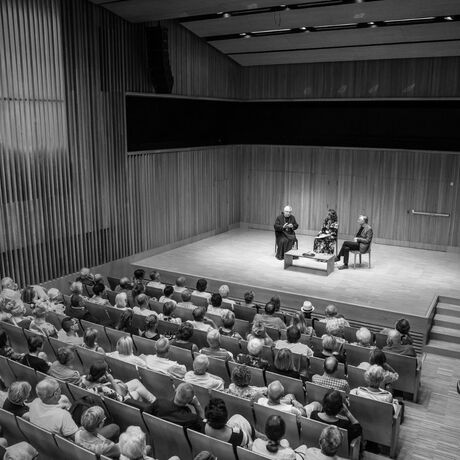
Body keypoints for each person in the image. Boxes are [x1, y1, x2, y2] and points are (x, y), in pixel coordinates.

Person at [80, 360, 156, 405]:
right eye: (106, 371)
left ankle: (153, 402)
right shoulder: (103, 389)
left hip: (103, 400)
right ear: (102, 375)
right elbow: (121, 398)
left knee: (135, 382)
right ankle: (152, 406)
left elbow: (95, 386)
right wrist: (112, 381)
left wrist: (108, 383)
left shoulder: (83, 378)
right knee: (137, 393)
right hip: (121, 403)